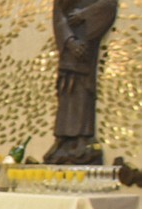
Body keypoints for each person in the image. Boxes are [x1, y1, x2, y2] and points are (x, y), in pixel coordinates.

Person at [43, 0, 117, 165]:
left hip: (86, 45)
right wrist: (70, 41)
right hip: (70, 47)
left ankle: (82, 138)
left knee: (83, 91)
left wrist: (83, 15)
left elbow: (109, 5)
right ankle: (63, 139)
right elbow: (58, 15)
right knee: (66, 90)